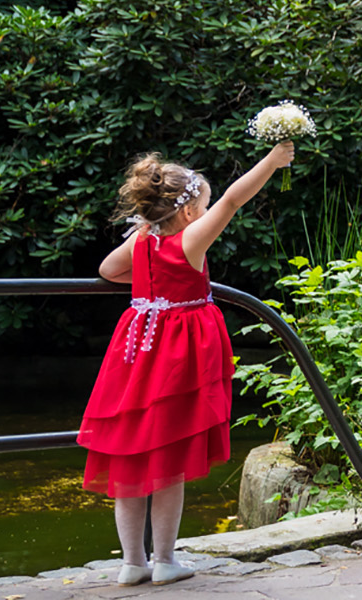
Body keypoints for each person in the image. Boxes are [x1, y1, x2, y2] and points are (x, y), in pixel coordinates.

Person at [79, 141, 295, 584]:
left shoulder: (142, 239)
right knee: (168, 461)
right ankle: (164, 561)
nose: (211, 208)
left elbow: (107, 271)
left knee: (131, 457)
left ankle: (131, 563)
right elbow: (235, 198)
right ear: (191, 212)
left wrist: (149, 289)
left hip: (136, 348)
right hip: (175, 356)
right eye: (205, 203)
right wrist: (272, 162)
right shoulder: (192, 238)